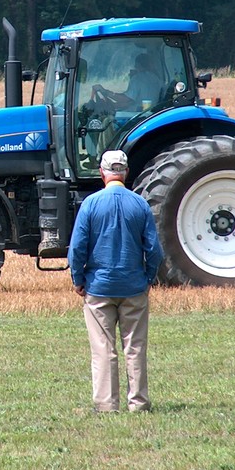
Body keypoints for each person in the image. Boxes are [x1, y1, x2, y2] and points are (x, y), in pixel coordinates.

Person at [68, 149, 164, 413]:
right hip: (134, 286)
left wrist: (78, 278)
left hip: (99, 287)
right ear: (126, 172)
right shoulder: (140, 204)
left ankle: (107, 405)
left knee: (103, 349)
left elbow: (77, 248)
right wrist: (148, 277)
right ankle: (139, 403)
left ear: (102, 173)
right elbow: (154, 250)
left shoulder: (91, 204)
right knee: (135, 348)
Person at [90, 52, 162, 112]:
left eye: (135, 66)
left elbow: (126, 99)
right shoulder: (157, 79)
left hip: (137, 117)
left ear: (138, 65)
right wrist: (113, 104)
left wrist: (105, 91)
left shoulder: (138, 78)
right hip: (152, 114)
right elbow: (130, 101)